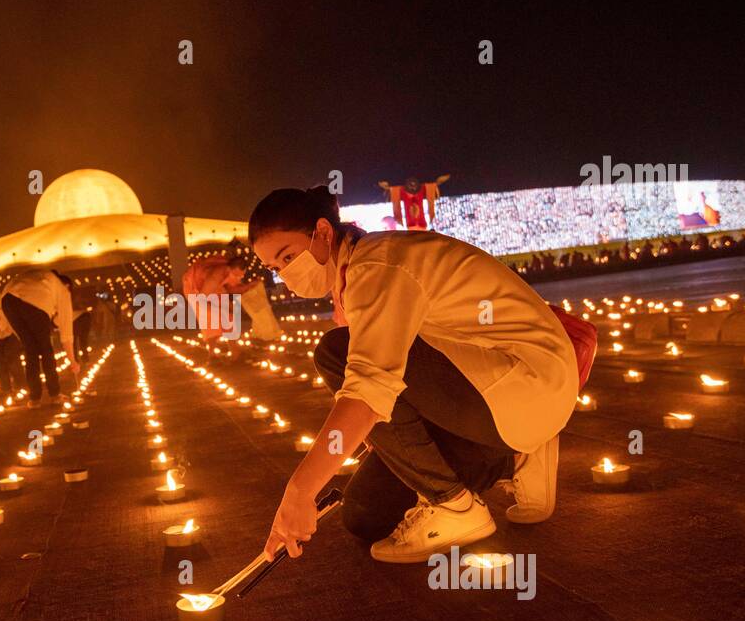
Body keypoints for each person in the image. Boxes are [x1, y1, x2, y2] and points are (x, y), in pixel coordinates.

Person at [249, 186, 584, 565]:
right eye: (276, 268)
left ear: (323, 232)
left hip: (521, 383)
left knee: (336, 352)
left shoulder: (378, 266)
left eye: (289, 256)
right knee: (365, 514)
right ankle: (516, 457)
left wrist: (300, 490)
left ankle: (455, 508)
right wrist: (383, 437)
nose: (286, 273)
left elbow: (368, 387)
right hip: (492, 392)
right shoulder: (355, 271)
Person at [0, 269, 79, 407]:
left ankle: (34, 398)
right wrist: (72, 360)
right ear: (67, 286)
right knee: (46, 350)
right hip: (35, 303)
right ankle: (55, 394)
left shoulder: (41, 277)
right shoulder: (63, 291)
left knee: (31, 351)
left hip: (7, 301)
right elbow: (66, 329)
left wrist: (26, 340)